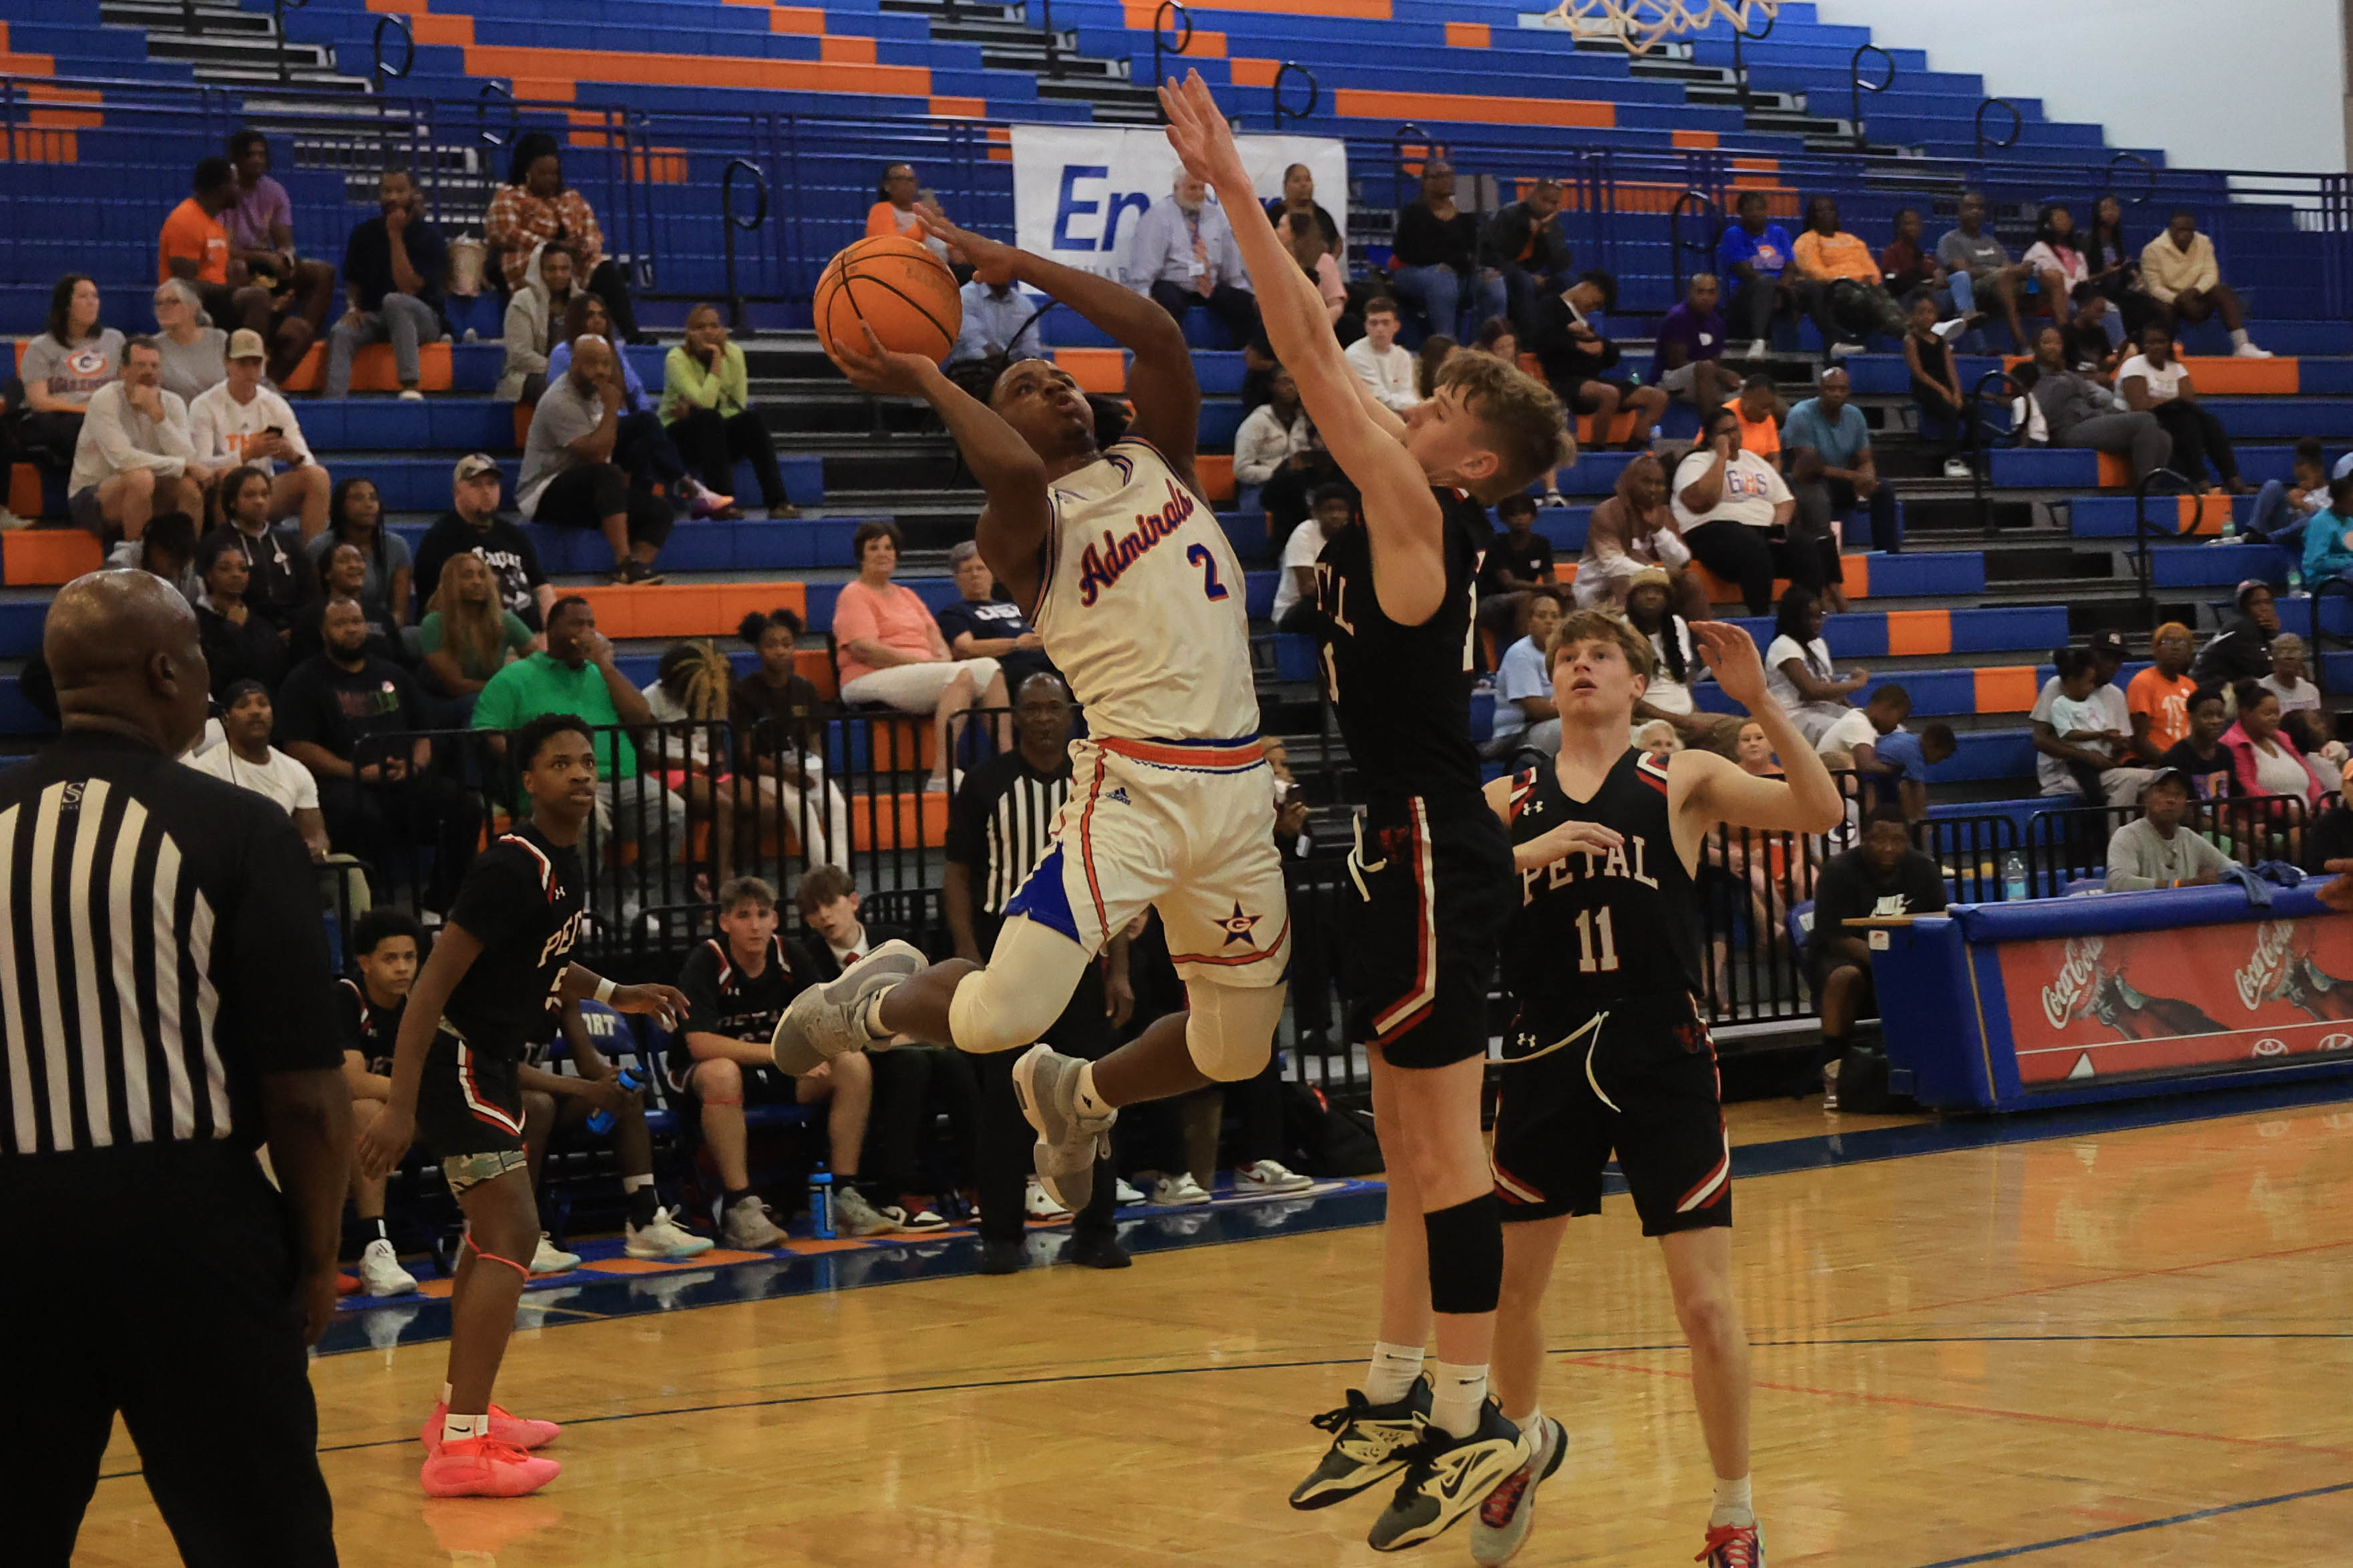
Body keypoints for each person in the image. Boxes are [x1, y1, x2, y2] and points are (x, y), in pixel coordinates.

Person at [812, 79, 1562, 1550]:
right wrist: (935, 356)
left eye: (1434, 410)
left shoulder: (1376, 503)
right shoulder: (1030, 510)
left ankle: (1474, 1413)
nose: (1399, 410)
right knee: (1404, 1145)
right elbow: (1024, 461)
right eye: (1035, 381)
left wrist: (1198, 191)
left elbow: (1212, 339)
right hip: (1195, 788)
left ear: (1466, 459)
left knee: (1363, 1111)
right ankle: (1420, 1388)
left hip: (1301, 807)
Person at [1472, 608, 1842, 1568]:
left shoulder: (1678, 776)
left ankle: (1734, 1513)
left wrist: (1760, 701)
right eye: (1566, 656)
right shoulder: (1508, 794)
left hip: (1658, 1044)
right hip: (1544, 1042)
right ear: (1549, 685)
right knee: (1513, 1288)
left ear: (1637, 684)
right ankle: (1519, 1445)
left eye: (1600, 655)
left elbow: (1819, 813)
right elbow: (1429, 893)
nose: (1581, 665)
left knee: (1705, 1305)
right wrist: (1524, 859)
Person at [4, 571, 350, 1564]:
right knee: (263, 1537)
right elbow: (307, 1093)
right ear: (168, 669)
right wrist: (318, 1256)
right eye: (201, 660)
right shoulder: (240, 828)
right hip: (190, 1235)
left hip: (12, 1232)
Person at [356, 714, 691, 1497]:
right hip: (455, 1057)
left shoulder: (563, 864)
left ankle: (458, 1415)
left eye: (587, 761)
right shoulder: (509, 867)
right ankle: (461, 1450)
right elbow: (429, 985)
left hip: (493, 1061)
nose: (580, 773)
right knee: (512, 1228)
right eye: (560, 763)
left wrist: (619, 992)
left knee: (492, 1234)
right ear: (529, 782)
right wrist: (401, 1107)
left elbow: (548, 958)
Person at [945, 674, 1133, 1272]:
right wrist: (971, 959)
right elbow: (956, 876)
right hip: (1006, 960)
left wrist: (1119, 969)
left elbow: (1117, 883)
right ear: (1016, 716)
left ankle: (1096, 1230)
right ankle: (1002, 1235)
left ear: (1072, 714)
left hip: (1081, 959)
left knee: (1090, 1096)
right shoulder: (985, 783)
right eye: (1033, 709)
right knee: (1002, 1102)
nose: (1046, 718)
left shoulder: (1096, 783)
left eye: (1055, 707)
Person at [668, 876, 891, 1248]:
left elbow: (825, 1020)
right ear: (725, 923)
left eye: (763, 914)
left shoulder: (792, 956)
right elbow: (700, 1044)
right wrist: (780, 1054)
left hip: (778, 1071)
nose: (755, 925)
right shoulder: (706, 960)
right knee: (722, 1072)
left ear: (775, 920)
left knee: (852, 1064)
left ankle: (843, 1193)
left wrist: (822, 1047)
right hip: (704, 1078)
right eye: (743, 916)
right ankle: (740, 1206)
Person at [274, 597, 481, 909]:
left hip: (402, 778)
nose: (352, 630)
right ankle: (377, 912)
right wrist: (355, 771)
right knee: (362, 815)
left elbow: (425, 730)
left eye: (356, 622)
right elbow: (297, 747)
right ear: (323, 632)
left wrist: (413, 764)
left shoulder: (394, 674)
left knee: (465, 807)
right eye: (341, 624)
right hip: (344, 782)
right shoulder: (304, 681)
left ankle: (441, 906)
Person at [472, 595, 692, 874]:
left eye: (591, 625)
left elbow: (642, 719)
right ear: (551, 631)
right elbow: (489, 731)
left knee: (673, 811)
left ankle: (636, 897)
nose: (586, 632)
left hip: (624, 780)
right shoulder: (514, 677)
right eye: (576, 624)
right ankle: (582, 902)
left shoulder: (601, 673)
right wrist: (533, 772)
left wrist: (605, 666)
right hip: (560, 783)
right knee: (588, 818)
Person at [832, 519, 1007, 793]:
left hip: (918, 672)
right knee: (961, 674)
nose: (883, 553)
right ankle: (942, 774)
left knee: (990, 667)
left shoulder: (907, 594)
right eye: (874, 547)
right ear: (861, 555)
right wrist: (925, 663)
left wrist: (940, 659)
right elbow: (864, 649)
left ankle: (1007, 764)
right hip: (868, 676)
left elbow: (934, 637)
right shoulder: (854, 593)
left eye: (889, 547)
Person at [1807, 804, 1948, 1101]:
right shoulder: (1839, 870)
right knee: (1845, 976)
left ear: (1907, 841)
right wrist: (1886, 960)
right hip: (1844, 954)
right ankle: (1833, 1065)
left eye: (1896, 841)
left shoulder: (1924, 868)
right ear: (1864, 839)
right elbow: (1834, 935)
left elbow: (1938, 921)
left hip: (1903, 955)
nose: (1887, 848)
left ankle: (1936, 1062)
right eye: (1878, 840)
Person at [517, 333, 674, 585]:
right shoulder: (560, 399)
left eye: (606, 364)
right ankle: (623, 561)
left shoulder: (596, 393)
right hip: (544, 492)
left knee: (660, 509)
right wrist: (612, 407)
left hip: (589, 490)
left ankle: (634, 569)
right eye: (592, 363)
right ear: (574, 362)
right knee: (606, 472)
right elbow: (597, 454)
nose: (600, 371)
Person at [547, 294, 718, 516]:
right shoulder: (563, 354)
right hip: (588, 431)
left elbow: (637, 390)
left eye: (602, 315)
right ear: (576, 320)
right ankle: (686, 484)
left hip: (621, 428)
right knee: (646, 424)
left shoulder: (615, 351)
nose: (597, 320)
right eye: (589, 315)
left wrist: (644, 421)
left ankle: (652, 503)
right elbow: (560, 401)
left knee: (646, 439)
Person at [337, 908, 427, 1296]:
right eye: (391, 959)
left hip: (408, 1112)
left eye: (410, 957)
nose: (403, 968)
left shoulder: (421, 1003)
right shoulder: (346, 997)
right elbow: (354, 1083)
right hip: (337, 1121)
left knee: (469, 1108)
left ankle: (485, 1238)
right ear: (365, 962)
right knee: (367, 1111)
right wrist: (414, 1092)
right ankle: (376, 1250)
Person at [486, 132, 642, 342]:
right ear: (526, 171)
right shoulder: (509, 195)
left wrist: (584, 247)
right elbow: (503, 231)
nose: (550, 179)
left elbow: (593, 232)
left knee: (605, 269)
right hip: (530, 260)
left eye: (554, 173)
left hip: (574, 261)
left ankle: (631, 334)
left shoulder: (571, 197)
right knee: (552, 267)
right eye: (543, 173)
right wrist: (555, 246)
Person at [732, 607, 851, 870]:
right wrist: (787, 773)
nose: (781, 651)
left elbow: (813, 739)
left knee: (837, 806)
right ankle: (825, 877)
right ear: (758, 649)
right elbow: (747, 754)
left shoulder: (805, 688)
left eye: (787, 644)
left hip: (803, 767)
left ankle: (843, 875)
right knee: (800, 808)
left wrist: (817, 771)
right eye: (771, 645)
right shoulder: (744, 692)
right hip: (765, 771)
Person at [190, 327, 331, 539]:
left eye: (255, 363)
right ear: (227, 363)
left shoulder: (274, 404)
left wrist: (292, 455)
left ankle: (312, 559)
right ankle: (227, 548)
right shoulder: (205, 405)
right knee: (228, 475)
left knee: (318, 476)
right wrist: (245, 455)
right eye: (242, 363)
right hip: (221, 491)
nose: (250, 370)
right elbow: (200, 465)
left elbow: (306, 459)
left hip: (264, 489)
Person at [660, 301, 793, 519]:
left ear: (722, 329)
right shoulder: (676, 358)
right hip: (678, 437)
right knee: (708, 417)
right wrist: (716, 362)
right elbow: (706, 403)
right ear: (689, 333)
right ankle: (721, 502)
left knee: (750, 419)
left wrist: (700, 409)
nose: (709, 332)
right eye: (700, 327)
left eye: (714, 326)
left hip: (714, 433)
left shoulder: (735, 353)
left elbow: (737, 405)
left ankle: (778, 502)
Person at [67, 336, 208, 541]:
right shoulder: (105, 399)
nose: (149, 372)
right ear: (123, 370)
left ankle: (187, 563)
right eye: (140, 365)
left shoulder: (173, 402)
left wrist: (157, 417)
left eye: (154, 366)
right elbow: (123, 460)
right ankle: (135, 560)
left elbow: (187, 457)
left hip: (150, 489)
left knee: (189, 488)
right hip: (93, 496)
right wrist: (182, 464)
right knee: (141, 479)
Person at [222, 129, 334, 383]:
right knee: (236, 267)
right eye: (250, 155)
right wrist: (263, 258)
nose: (257, 160)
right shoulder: (225, 192)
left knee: (321, 271)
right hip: (237, 267)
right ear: (236, 158)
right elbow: (222, 248)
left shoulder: (274, 191)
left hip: (266, 268)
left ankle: (275, 373)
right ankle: (242, 346)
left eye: (262, 155)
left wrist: (287, 260)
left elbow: (285, 242)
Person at [327, 167, 448, 402]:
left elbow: (409, 289)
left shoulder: (429, 236)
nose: (392, 197)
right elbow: (353, 281)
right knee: (341, 332)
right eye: (387, 191)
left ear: (414, 194)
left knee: (395, 301)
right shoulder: (364, 233)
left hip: (423, 320)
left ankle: (410, 384)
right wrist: (353, 308)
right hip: (379, 317)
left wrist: (395, 236)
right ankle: (333, 403)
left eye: (400, 191)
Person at [1673, 401, 1800, 618]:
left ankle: (1805, 620)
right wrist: (1722, 458)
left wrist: (1778, 528)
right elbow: (1702, 501)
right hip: (1712, 534)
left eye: (1736, 429)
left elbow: (1785, 500)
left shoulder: (1754, 461)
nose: (1734, 436)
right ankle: (1760, 619)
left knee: (1804, 548)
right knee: (1753, 547)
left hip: (1759, 532)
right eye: (1725, 432)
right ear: (1711, 437)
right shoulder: (1696, 461)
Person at [157, 156, 278, 376]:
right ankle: (249, 372)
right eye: (234, 183)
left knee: (280, 307)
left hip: (217, 299)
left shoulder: (214, 222)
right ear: (222, 187)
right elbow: (183, 285)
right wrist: (231, 289)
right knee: (257, 297)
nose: (238, 189)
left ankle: (254, 370)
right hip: (194, 306)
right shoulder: (186, 219)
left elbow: (220, 271)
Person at [184, 676, 330, 860]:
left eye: (262, 704)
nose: (255, 712)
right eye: (243, 706)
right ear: (225, 719)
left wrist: (317, 849)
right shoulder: (205, 771)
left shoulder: (296, 770)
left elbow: (316, 834)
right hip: (234, 866)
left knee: (349, 867)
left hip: (289, 865)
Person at [415, 453, 554, 634]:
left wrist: (553, 631)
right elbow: (438, 607)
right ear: (457, 493)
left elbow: (541, 587)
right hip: (483, 640)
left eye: (492, 484)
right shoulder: (441, 539)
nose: (486, 492)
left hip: (531, 636)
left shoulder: (514, 535)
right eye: (476, 485)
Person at [1526, 270, 1665, 452]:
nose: (1594, 308)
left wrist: (1600, 347)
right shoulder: (1550, 306)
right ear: (1589, 286)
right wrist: (1577, 344)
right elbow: (1541, 341)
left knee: (1657, 397)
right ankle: (1597, 449)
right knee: (1609, 394)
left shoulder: (1585, 321)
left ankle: (1634, 447)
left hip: (1592, 380)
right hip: (1566, 381)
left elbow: (1612, 355)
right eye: (1596, 302)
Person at [1123, 169, 1259, 349]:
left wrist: (1246, 294)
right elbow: (1145, 265)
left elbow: (1231, 267)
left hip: (1208, 285)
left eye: (1202, 189)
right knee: (1169, 301)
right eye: (1192, 188)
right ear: (1176, 188)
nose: (1198, 194)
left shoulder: (1216, 217)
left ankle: (1241, 357)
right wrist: (1143, 297)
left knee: (1244, 305)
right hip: (1174, 284)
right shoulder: (1158, 216)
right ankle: (1172, 356)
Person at [1783, 364, 1900, 554]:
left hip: (1842, 479)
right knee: (1819, 491)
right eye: (1831, 389)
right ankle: (1822, 556)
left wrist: (1867, 477)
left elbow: (1865, 459)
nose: (1837, 394)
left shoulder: (1855, 415)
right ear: (1820, 390)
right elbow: (1810, 466)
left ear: (1849, 392)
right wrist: (1854, 477)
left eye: (1842, 389)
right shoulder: (1801, 414)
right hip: (1808, 479)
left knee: (1884, 489)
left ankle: (1888, 554)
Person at [2028, 326, 2171, 481]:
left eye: (2058, 343)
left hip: (2090, 419)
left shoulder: (2068, 375)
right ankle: (2144, 490)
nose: (2053, 348)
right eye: (2047, 343)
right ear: (2036, 347)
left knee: (2162, 433)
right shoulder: (2030, 373)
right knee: (2145, 420)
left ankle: (2154, 490)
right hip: (2065, 430)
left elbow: (2096, 398)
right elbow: (2038, 408)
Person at [1625, 567, 1741, 756]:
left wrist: (1695, 714)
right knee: (1662, 738)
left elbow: (1682, 677)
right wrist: (1685, 723)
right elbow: (1629, 700)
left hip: (1684, 716)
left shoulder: (1676, 624)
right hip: (1644, 720)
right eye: (1644, 591)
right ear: (1631, 598)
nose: (1651, 596)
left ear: (1668, 598)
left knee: (1739, 730)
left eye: (1658, 591)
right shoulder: (1622, 631)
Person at [2118, 324, 2248, 493]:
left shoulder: (2176, 368)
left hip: (2172, 416)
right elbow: (2140, 405)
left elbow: (2189, 401)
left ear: (2169, 344)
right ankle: (2199, 479)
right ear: (2143, 345)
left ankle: (2233, 479)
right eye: (2150, 342)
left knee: (2209, 422)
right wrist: (2172, 401)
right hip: (2138, 421)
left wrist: (2162, 401)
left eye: (2161, 342)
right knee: (2186, 421)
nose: (2155, 346)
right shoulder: (2134, 364)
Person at [1574, 452, 1703, 619]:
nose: (1653, 489)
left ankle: (1703, 642)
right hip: (1598, 590)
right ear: (1630, 482)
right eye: (1646, 482)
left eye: (1659, 484)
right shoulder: (1607, 511)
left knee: (1689, 582)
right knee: (1624, 582)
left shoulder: (1662, 513)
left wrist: (1659, 531)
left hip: (1647, 586)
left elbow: (1681, 561)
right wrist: (1659, 573)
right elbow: (1615, 566)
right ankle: (1628, 643)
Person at [1391, 156, 1506, 343]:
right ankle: (1447, 346)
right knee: (1443, 280)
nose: (1448, 180)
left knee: (1494, 283)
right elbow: (1410, 253)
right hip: (1413, 271)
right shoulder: (1414, 212)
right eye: (1440, 176)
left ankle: (1489, 345)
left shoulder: (1465, 209)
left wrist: (1488, 267)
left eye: (1450, 175)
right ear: (1427, 181)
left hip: (1458, 271)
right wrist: (1451, 261)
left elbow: (1477, 245)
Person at [19, 272, 123, 471]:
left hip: (106, 416)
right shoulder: (42, 346)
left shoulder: (115, 340)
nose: (92, 302)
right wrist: (86, 409)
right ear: (66, 305)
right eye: (84, 297)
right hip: (63, 418)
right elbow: (39, 401)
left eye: (95, 296)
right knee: (83, 428)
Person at [2139, 208, 2269, 356]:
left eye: (2190, 230)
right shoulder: (2152, 250)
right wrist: (2178, 299)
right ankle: (2170, 348)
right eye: (2181, 230)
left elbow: (2211, 274)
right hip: (2170, 301)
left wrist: (2194, 292)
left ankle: (2242, 345)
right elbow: (2154, 287)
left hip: (2196, 297)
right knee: (2159, 306)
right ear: (2170, 229)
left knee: (2223, 292)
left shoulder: (2204, 242)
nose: (2186, 234)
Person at [1791, 195, 1910, 354]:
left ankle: (1913, 332)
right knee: (1869, 299)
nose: (1826, 214)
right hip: (1835, 289)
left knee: (1883, 294)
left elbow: (1871, 268)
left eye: (1830, 209)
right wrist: (1851, 278)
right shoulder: (1806, 240)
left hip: (1863, 286)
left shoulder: (1851, 239)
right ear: (1812, 216)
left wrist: (1870, 279)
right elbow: (1814, 272)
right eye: (1820, 211)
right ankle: (1913, 336)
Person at [2033, 644, 2145, 808]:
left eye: (2118, 660)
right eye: (2106, 658)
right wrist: (2087, 756)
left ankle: (2114, 832)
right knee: (2130, 781)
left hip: (2103, 769)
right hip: (2066, 773)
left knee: (2159, 781)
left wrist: (2119, 746)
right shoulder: (2058, 686)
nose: (2112, 665)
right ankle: (2109, 832)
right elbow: (2040, 739)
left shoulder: (2116, 694)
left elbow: (2123, 745)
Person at [203, 463, 311, 631]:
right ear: (232, 502)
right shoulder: (217, 543)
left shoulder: (287, 540)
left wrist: (296, 629)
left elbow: (309, 591)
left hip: (293, 630)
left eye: (264, 494)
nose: (260, 501)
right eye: (250, 495)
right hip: (243, 630)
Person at [418, 549, 532, 705]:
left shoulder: (503, 619)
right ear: (450, 583)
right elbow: (456, 686)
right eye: (467, 576)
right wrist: (507, 686)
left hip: (492, 697)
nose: (477, 582)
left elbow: (539, 661)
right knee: (476, 703)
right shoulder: (434, 623)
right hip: (444, 703)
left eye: (482, 575)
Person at [938, 538, 1053, 694]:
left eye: (981, 568)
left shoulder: (1016, 606)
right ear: (957, 578)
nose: (975, 575)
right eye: (967, 570)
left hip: (1045, 658)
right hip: (1007, 666)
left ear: (993, 574)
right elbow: (967, 648)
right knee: (1037, 680)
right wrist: (1016, 644)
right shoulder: (954, 613)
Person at [304, 475, 409, 635]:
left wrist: (380, 633)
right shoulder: (319, 547)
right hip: (333, 628)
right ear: (341, 506)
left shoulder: (397, 546)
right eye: (358, 498)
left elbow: (399, 613)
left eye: (373, 498)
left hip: (380, 628)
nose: (369, 504)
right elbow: (316, 604)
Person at [1762, 584, 1865, 744]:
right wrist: (1856, 684)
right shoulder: (1782, 645)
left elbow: (1828, 689)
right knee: (1848, 731)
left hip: (1819, 709)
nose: (1817, 623)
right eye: (1810, 617)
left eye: (1820, 616)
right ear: (1794, 619)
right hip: (1791, 716)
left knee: (1866, 723)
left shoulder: (1819, 644)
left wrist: (1853, 710)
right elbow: (1811, 691)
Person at [1233, 364, 1330, 529]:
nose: (1290, 387)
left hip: (1300, 485)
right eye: (1285, 382)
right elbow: (1241, 469)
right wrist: (1279, 474)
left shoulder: (1305, 420)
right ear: (1272, 386)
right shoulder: (1258, 421)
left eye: (1294, 382)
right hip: (1260, 487)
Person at [192, 531, 289, 696]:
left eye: (243, 569)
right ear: (209, 575)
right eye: (225, 569)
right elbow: (211, 675)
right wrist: (232, 630)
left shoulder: (260, 621)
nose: (236, 574)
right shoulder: (196, 620)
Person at [2105, 769, 2232, 891]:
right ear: (2146, 799)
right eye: (2162, 792)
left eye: (2178, 794)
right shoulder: (2128, 835)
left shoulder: (2189, 838)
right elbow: (2119, 882)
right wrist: (2181, 885)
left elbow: (2231, 867)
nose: (2171, 800)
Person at [1936, 192, 2030, 351]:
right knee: (2005, 278)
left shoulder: (1991, 241)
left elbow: (2008, 266)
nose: (1976, 211)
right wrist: (1999, 271)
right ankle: (2021, 342)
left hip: (2002, 285)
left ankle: (2061, 341)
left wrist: (2023, 270)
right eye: (1970, 207)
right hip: (1975, 289)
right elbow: (1964, 271)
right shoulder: (1950, 240)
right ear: (1960, 212)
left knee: (2045, 277)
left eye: (1979, 208)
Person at [2221, 680, 2328, 812]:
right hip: (2265, 823)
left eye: (2277, 713)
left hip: (2306, 818)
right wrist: (2285, 811)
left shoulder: (2282, 738)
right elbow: (2246, 786)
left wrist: (2321, 805)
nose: (2274, 718)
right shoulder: (2232, 743)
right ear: (2246, 714)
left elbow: (2310, 775)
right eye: (2268, 714)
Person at [1715, 190, 1797, 359]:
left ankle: (1834, 343)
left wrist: (1781, 290)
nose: (1755, 214)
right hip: (1745, 295)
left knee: (1811, 287)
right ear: (1741, 213)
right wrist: (1777, 290)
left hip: (1778, 291)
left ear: (1767, 211)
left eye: (1760, 209)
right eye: (1750, 209)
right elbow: (1745, 271)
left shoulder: (1779, 232)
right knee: (1764, 281)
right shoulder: (1733, 235)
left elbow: (1790, 267)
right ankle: (1758, 340)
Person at [1486, 178, 1574, 338]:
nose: (1548, 207)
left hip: (1533, 274)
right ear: (1532, 196)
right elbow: (1495, 252)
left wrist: (1547, 232)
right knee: (1523, 281)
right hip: (1506, 271)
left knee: (1566, 281)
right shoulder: (1510, 214)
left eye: (1554, 203)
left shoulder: (1553, 226)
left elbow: (1561, 264)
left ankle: (1563, 339)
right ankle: (1528, 343)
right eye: (1545, 200)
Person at [1486, 589, 1564, 758]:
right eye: (1542, 616)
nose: (1549, 621)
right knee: (1576, 730)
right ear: (1529, 622)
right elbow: (1535, 709)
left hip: (1548, 725)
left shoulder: (1565, 653)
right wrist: (1578, 708)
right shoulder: (1520, 654)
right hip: (1517, 736)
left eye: (1555, 616)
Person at [1650, 272, 1739, 414]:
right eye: (1700, 292)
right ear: (1690, 293)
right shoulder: (1678, 317)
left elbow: (1716, 363)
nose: (1706, 298)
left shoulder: (1718, 323)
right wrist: (1721, 373)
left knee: (1754, 390)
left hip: (1705, 378)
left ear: (1718, 295)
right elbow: (1676, 362)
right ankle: (1709, 430)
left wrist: (1728, 379)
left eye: (1711, 292)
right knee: (1706, 368)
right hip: (1668, 380)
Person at [497, 241, 576, 403]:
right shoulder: (522, 300)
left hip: (574, 375)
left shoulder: (580, 301)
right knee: (553, 388)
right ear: (539, 271)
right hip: (529, 376)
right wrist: (559, 369)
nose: (559, 275)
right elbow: (520, 354)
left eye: (564, 269)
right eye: (551, 269)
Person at [1272, 481, 1353, 632]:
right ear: (1315, 512)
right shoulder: (1303, 534)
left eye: (1341, 510)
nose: (1335, 516)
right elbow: (1308, 588)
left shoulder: (1353, 536)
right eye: (1329, 510)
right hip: (1295, 610)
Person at [1477, 491, 1556, 644]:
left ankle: (1563, 646)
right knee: (1524, 597)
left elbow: (1550, 581)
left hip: (1527, 596)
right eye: (1513, 514)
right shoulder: (1496, 543)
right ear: (1504, 519)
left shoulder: (1542, 543)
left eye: (1524, 513)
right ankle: (1525, 650)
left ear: (1534, 516)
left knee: (1565, 596)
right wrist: (1549, 588)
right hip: (1488, 603)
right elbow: (1509, 583)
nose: (1519, 518)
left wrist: (1559, 590)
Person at [1812, 684, 1913, 805]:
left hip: (1838, 790)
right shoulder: (1859, 724)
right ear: (1886, 707)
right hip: (1830, 792)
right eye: (1899, 718)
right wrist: (1896, 768)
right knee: (1873, 780)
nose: (1896, 726)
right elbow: (1866, 765)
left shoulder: (1858, 718)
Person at [1903, 291, 1969, 461]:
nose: (1926, 316)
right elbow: (1918, 373)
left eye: (1930, 312)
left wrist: (1956, 392)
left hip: (1944, 385)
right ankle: (1952, 458)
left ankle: (1970, 453)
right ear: (1913, 316)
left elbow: (1951, 369)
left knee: (1971, 410)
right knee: (1949, 412)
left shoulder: (1941, 341)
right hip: (1925, 388)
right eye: (1921, 312)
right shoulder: (1911, 341)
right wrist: (1941, 390)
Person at [148, 276, 228, 406]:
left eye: (173, 302)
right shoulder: (153, 347)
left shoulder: (219, 340)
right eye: (159, 303)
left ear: (192, 307)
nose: (163, 308)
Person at [2085, 194, 2155, 341]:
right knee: (2125, 305)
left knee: (2146, 301)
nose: (2111, 212)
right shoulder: (2088, 241)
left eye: (2114, 208)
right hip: (2096, 290)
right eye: (2105, 209)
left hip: (2117, 289)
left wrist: (2134, 275)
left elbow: (2121, 268)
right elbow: (2084, 277)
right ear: (2097, 213)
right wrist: (2105, 273)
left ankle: (2145, 342)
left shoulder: (2118, 240)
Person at [949, 261, 1044, 366]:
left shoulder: (1025, 304)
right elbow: (975, 345)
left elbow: (1031, 350)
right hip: (972, 373)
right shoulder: (965, 297)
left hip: (1014, 373)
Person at [2127, 622, 2198, 761]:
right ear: (2155, 650)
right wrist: (2169, 764)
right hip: (2152, 762)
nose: (2175, 647)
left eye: (2182, 643)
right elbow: (2138, 740)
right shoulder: (2143, 681)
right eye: (2167, 641)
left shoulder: (2190, 686)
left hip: (2185, 762)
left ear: (2189, 653)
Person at [2247, 438, 2331, 550]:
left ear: (2319, 470)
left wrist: (2302, 506)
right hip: (2287, 528)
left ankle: (2267, 538)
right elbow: (2289, 517)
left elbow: (2326, 523)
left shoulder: (2331, 493)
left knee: (2314, 518)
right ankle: (2253, 531)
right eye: (2299, 479)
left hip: (2308, 535)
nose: (2302, 484)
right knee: (2273, 485)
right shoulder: (2297, 493)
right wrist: (2292, 505)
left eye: (2305, 478)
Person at [2190, 580, 2278, 688]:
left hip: (2223, 686)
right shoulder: (2242, 628)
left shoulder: (2250, 628)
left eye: (2268, 602)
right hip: (2207, 691)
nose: (2264, 608)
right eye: (2256, 603)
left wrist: (2271, 634)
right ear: (2243, 608)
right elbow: (2266, 670)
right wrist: (2274, 636)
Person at [106, 507, 200, 603]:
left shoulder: (186, 571)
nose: (177, 573)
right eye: (173, 565)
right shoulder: (121, 566)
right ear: (155, 548)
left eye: (181, 567)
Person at [867, 160, 952, 265]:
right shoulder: (880, 210)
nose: (906, 184)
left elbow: (955, 252)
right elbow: (890, 249)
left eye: (910, 180)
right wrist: (924, 221)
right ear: (887, 186)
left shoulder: (925, 209)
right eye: (899, 179)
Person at [1344, 297, 1421, 413]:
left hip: (1399, 414)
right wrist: (1418, 405)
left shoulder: (1403, 355)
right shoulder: (1355, 354)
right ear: (1366, 327)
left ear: (1396, 326)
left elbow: (1406, 393)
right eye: (1374, 323)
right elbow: (1377, 399)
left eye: (1385, 323)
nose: (1380, 329)